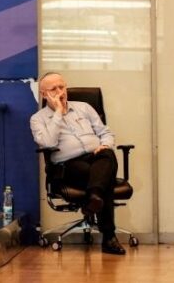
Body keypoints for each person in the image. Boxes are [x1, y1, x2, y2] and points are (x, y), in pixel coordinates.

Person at [30, 72, 126, 255]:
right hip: (68, 165)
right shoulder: (38, 119)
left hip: (96, 157)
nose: (60, 92)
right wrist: (58, 112)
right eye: (53, 89)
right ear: (44, 94)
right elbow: (48, 142)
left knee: (107, 154)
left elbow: (105, 132)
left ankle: (94, 198)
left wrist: (105, 144)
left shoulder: (84, 107)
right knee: (102, 179)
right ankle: (108, 237)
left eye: (62, 86)